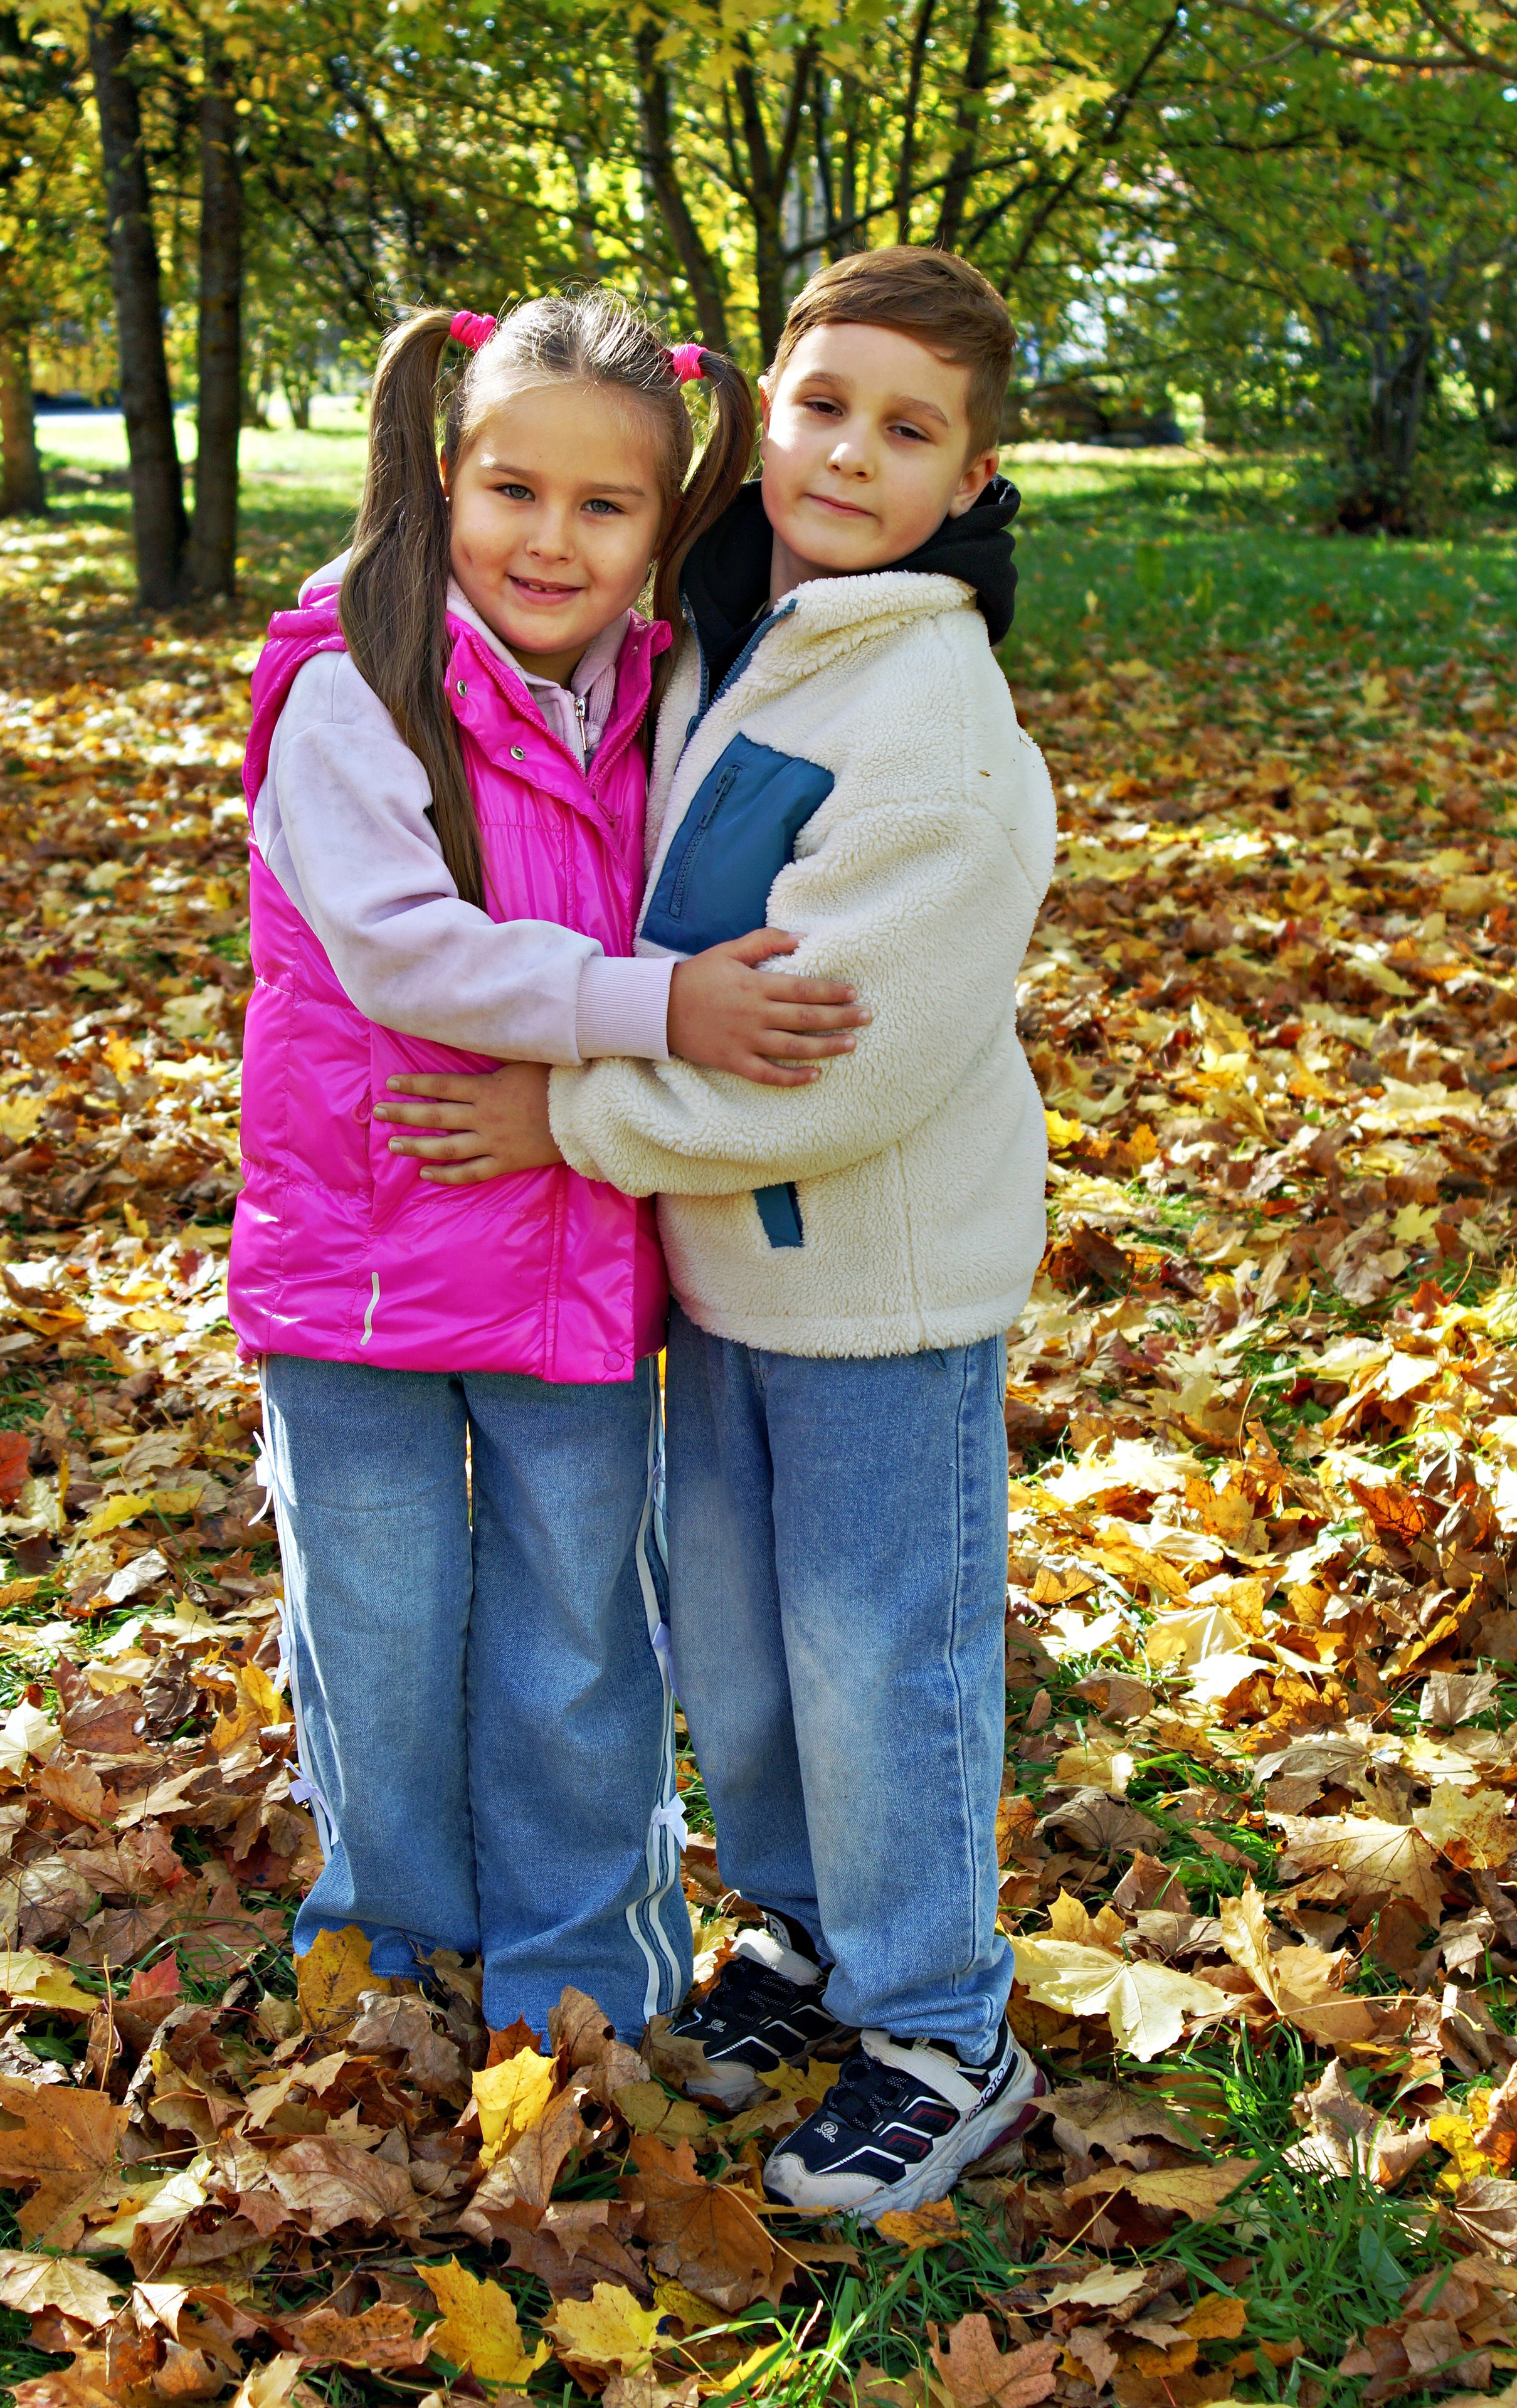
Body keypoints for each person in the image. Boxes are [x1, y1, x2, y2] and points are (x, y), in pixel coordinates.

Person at [385, 248, 1057, 2209]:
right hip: (727, 1273)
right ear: (760, 415)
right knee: (749, 1658)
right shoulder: (732, 637)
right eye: (820, 404)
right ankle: (807, 1937)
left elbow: (845, 1062)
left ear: (970, 474)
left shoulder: (937, 722)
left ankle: (945, 2024)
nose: (850, 452)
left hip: (881, 1286)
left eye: (906, 429)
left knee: (881, 1657)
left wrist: (563, 1115)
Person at [230, 290, 868, 2043]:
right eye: (514, 491)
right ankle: (392, 1956)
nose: (551, 540)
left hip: (574, 1252)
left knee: (580, 1637)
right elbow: (406, 955)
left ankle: (586, 1982)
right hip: (359, 1258)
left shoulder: (660, 697)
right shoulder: (350, 688)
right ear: (445, 476)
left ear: (665, 526)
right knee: (375, 1627)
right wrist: (659, 1007)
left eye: (607, 508)